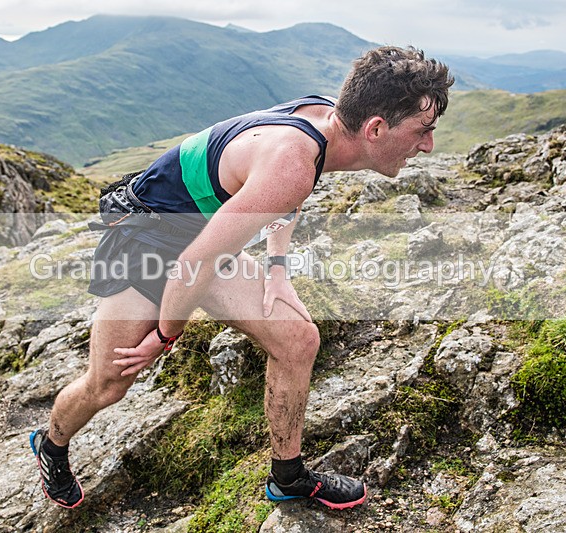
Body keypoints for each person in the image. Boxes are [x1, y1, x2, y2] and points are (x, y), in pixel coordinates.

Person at [30, 45, 453, 510]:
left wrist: (276, 268)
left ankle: (288, 477)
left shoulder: (322, 122)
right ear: (375, 128)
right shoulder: (295, 158)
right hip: (145, 240)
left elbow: (276, 194)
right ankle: (51, 445)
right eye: (423, 130)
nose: (428, 145)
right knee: (109, 382)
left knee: (298, 340)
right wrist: (165, 336)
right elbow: (203, 256)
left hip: (202, 237)